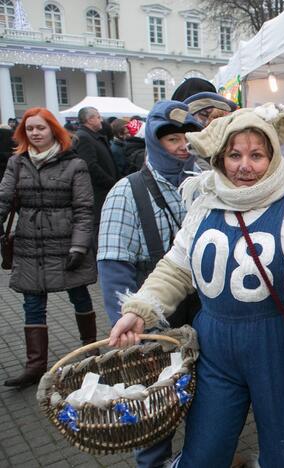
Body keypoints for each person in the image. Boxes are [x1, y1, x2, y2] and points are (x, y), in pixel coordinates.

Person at [108, 104, 284, 467]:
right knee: (204, 451)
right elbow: (176, 268)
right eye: (234, 155)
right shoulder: (204, 204)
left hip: (282, 342)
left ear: (273, 156)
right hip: (215, 343)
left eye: (256, 155)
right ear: (220, 157)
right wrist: (139, 310)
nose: (244, 166)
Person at [97, 100, 202, 468]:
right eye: (173, 139)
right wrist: (133, 336)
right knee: (153, 422)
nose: (183, 146)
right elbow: (113, 268)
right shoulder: (125, 192)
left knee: (202, 413)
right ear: (155, 142)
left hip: (203, 324)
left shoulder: (206, 185)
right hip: (153, 330)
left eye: (187, 137)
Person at [0, 108, 98, 388]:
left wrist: (79, 245)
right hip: (29, 242)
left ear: (53, 129)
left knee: (79, 295)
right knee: (32, 303)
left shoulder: (74, 164)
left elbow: (83, 208)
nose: (34, 133)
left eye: (40, 128)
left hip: (66, 240)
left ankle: (90, 352)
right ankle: (35, 366)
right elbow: (4, 197)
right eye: (29, 129)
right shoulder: (17, 163)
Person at [74, 106, 119, 228]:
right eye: (98, 117)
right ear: (90, 119)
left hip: (103, 192)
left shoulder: (92, 136)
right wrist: (111, 183)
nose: (101, 121)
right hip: (98, 196)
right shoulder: (84, 137)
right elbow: (90, 166)